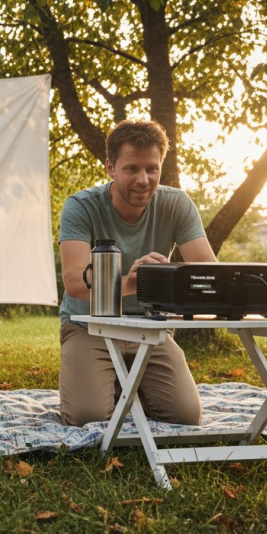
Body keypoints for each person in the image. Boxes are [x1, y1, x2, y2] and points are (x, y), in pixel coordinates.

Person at [58, 120, 218, 427]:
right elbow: (75, 283)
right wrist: (130, 284)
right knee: (87, 417)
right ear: (111, 168)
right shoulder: (81, 206)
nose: (143, 179)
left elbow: (208, 273)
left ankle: (120, 386)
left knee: (185, 416)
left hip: (150, 326)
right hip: (89, 326)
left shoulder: (177, 204)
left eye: (152, 169)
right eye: (131, 168)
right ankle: (107, 383)